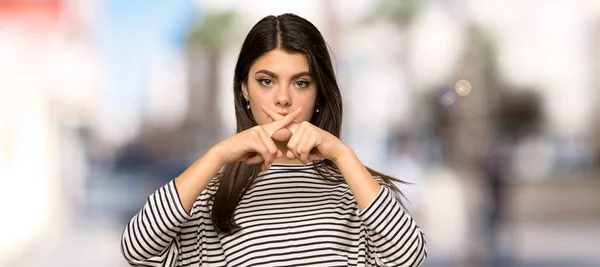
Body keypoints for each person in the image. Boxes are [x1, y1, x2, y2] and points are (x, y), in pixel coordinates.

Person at [120, 13, 427, 267]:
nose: (283, 98)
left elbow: (410, 258)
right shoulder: (208, 198)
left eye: (301, 83)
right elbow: (136, 248)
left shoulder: (358, 191)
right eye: (266, 81)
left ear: (319, 93)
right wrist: (216, 157)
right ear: (244, 89)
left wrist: (343, 156)